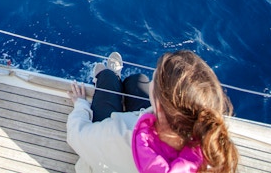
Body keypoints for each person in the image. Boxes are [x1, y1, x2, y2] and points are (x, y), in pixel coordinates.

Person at [67, 50, 238, 173]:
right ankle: (117, 78)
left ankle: (109, 76)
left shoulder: (120, 134)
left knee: (107, 81)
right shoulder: (213, 148)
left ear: (160, 108)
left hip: (115, 151)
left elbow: (76, 135)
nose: (152, 79)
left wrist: (81, 105)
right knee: (137, 81)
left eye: (154, 79)